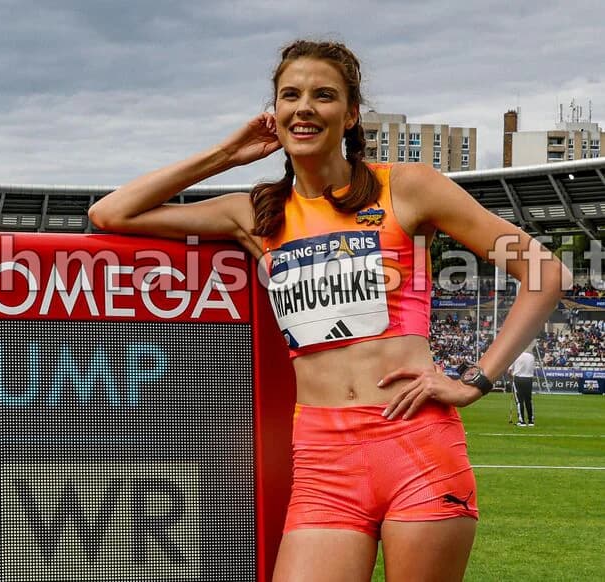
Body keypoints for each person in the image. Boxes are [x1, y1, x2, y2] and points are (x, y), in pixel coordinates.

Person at [88, 39, 570, 582]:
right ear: (274, 113)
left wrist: (475, 380)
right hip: (322, 457)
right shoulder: (258, 213)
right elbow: (111, 213)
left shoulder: (406, 188)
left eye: (324, 95)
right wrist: (228, 153)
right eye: (290, 95)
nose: (305, 108)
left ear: (351, 113)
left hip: (414, 442)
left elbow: (546, 272)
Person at [509, 344, 537, 426]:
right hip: (529, 379)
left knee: (519, 400)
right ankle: (531, 420)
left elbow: (509, 371)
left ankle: (521, 421)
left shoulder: (515, 356)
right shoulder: (531, 356)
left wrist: (511, 378)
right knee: (528, 400)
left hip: (518, 378)